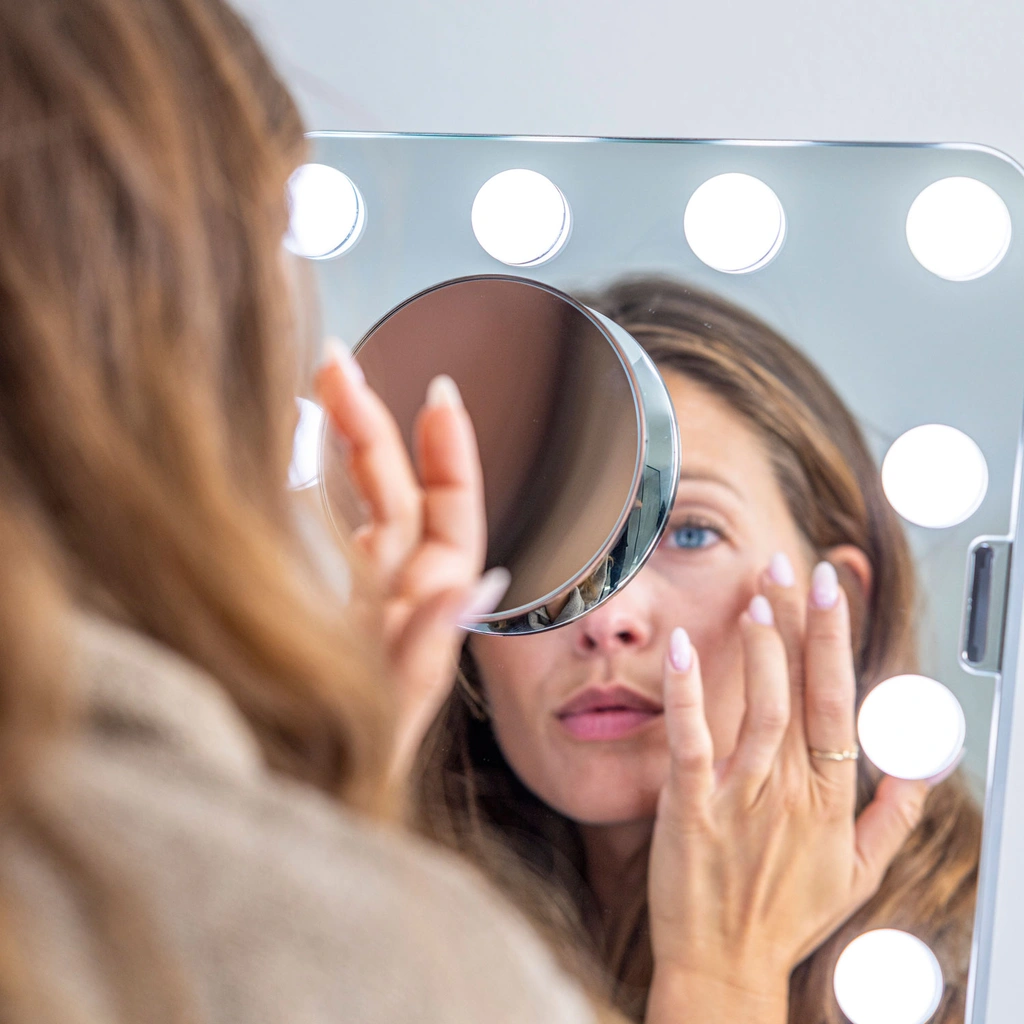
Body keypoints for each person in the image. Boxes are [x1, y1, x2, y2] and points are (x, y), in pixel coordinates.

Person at [415, 277, 981, 1022]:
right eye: (546, 545)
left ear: (836, 600)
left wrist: (725, 981)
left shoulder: (985, 966)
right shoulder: (406, 942)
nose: (605, 617)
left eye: (688, 534)